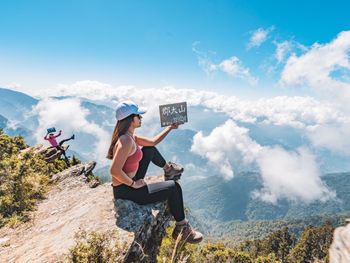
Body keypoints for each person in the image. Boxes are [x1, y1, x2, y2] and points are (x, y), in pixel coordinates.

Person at [107, 101, 203, 244]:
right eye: (138, 116)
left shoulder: (131, 137)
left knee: (148, 150)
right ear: (130, 119)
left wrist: (170, 128)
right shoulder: (125, 141)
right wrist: (133, 184)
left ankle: (168, 169)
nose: (141, 118)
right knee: (174, 188)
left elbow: (152, 142)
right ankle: (182, 228)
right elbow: (114, 170)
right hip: (126, 191)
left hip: (129, 182)